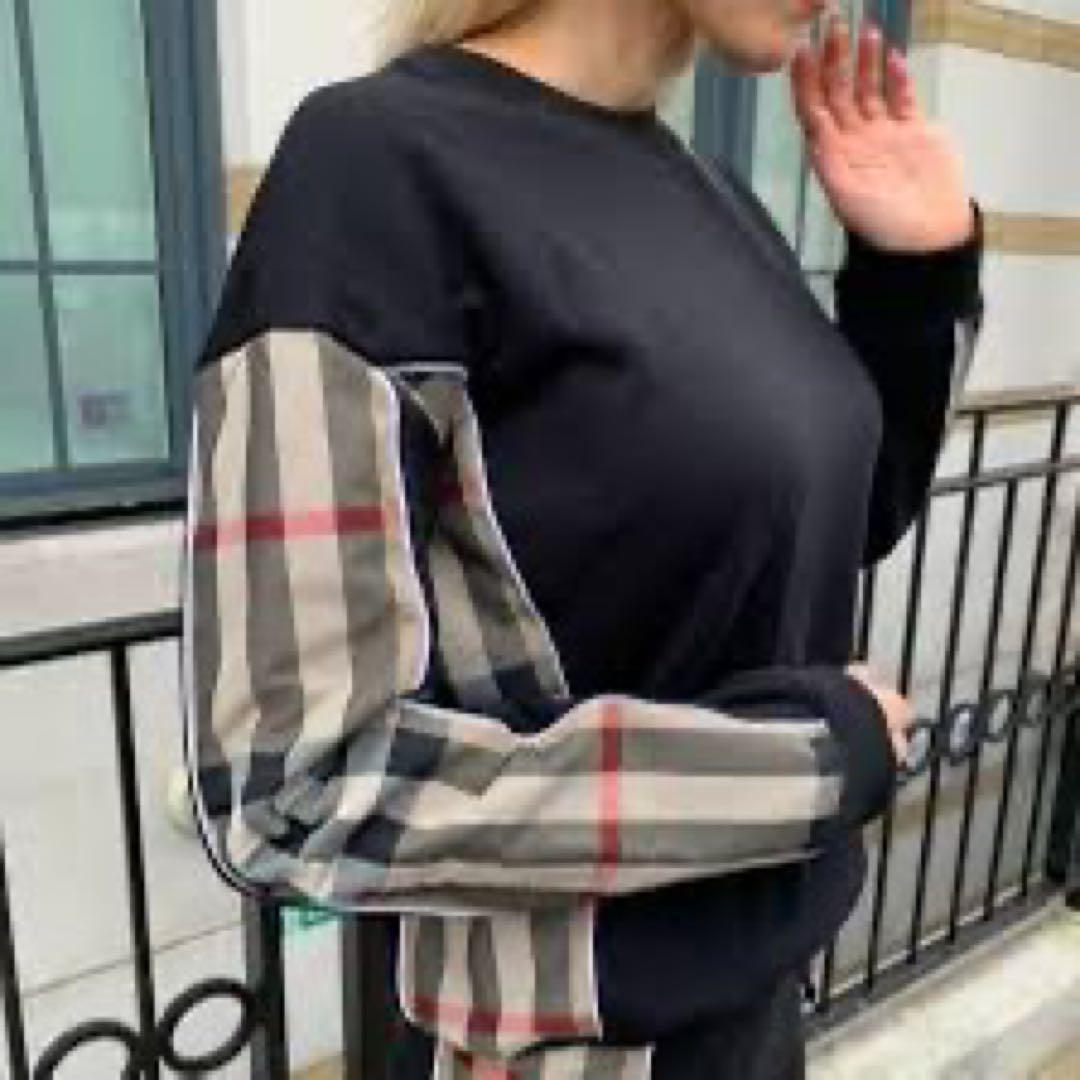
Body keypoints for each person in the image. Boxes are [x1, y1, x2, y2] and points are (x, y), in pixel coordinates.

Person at [179, 0, 985, 1075]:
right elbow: (292, 787)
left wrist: (918, 281)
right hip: (560, 1046)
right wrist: (810, 762)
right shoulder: (377, 164)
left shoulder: (713, 197)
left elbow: (835, 525)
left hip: (754, 1010)